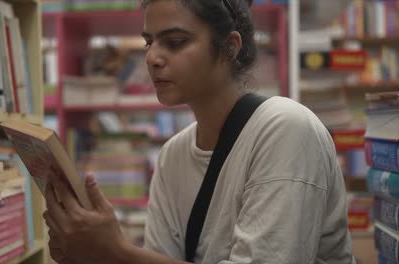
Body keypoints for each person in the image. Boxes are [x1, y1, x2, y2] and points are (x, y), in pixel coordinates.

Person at [43, 0, 356, 263]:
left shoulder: (285, 127)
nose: (152, 58)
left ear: (230, 47)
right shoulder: (173, 154)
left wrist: (115, 251)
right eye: (149, 42)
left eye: (175, 42)